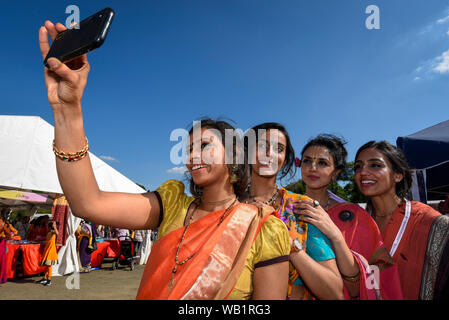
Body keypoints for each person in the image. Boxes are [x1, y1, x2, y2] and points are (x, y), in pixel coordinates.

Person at [38, 21, 290, 300]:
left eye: (204, 146)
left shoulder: (263, 227)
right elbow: (88, 203)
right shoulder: (171, 204)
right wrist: (67, 110)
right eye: (188, 149)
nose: (192, 157)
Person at [294, 134, 403, 299]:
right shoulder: (286, 208)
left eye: (322, 163)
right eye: (307, 161)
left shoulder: (354, 216)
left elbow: (356, 288)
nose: (313, 168)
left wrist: (335, 235)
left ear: (335, 172)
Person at [242, 123, 343, 300]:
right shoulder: (228, 205)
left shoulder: (300, 207)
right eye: (262, 146)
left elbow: (334, 293)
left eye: (278, 148)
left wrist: (289, 245)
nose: (270, 154)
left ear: (285, 159)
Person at [354, 140, 449, 300]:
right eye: (358, 166)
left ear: (397, 175)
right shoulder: (355, 224)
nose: (363, 172)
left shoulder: (429, 222)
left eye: (375, 165)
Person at [36, 220, 59, 286]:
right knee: (46, 266)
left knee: (49, 266)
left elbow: (57, 233)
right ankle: (44, 278)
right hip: (47, 250)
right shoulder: (49, 233)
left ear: (49, 227)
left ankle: (49, 280)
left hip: (51, 251)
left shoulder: (52, 232)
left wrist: (54, 227)